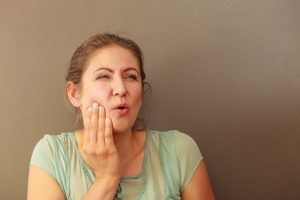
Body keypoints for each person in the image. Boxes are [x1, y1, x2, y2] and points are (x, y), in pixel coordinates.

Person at [27, 33, 215, 200]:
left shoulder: (179, 150)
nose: (121, 89)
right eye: (103, 76)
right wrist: (106, 178)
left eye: (131, 77)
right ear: (75, 94)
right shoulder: (51, 155)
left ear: (141, 93)